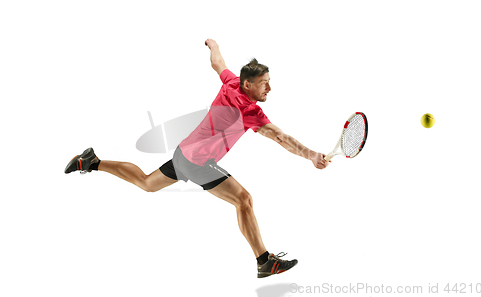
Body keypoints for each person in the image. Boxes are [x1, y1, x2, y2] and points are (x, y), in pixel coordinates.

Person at [64, 39, 330, 278]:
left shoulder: (230, 82)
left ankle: (91, 161)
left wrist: (213, 45)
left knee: (146, 183)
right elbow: (280, 137)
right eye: (264, 83)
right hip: (197, 163)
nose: (269, 87)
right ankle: (264, 261)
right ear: (247, 84)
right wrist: (312, 156)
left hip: (183, 153)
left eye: (269, 81)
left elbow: (218, 63)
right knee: (244, 200)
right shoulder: (249, 110)